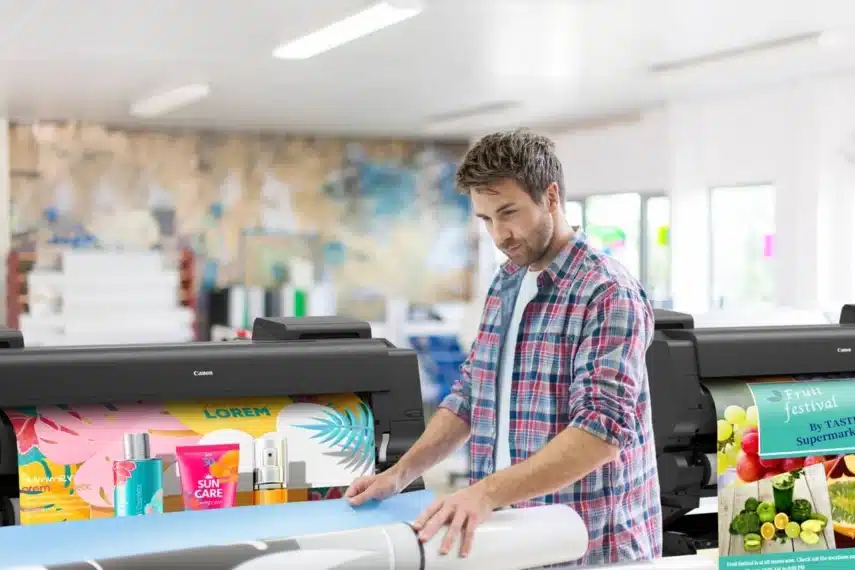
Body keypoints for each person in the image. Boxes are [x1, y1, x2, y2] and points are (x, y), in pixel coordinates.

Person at [345, 128, 662, 567]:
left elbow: (600, 434)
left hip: (592, 548)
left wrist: (484, 493)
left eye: (509, 213)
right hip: (512, 540)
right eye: (486, 219)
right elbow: (471, 395)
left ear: (550, 197)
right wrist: (400, 474)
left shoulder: (607, 292)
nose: (499, 235)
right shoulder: (508, 280)